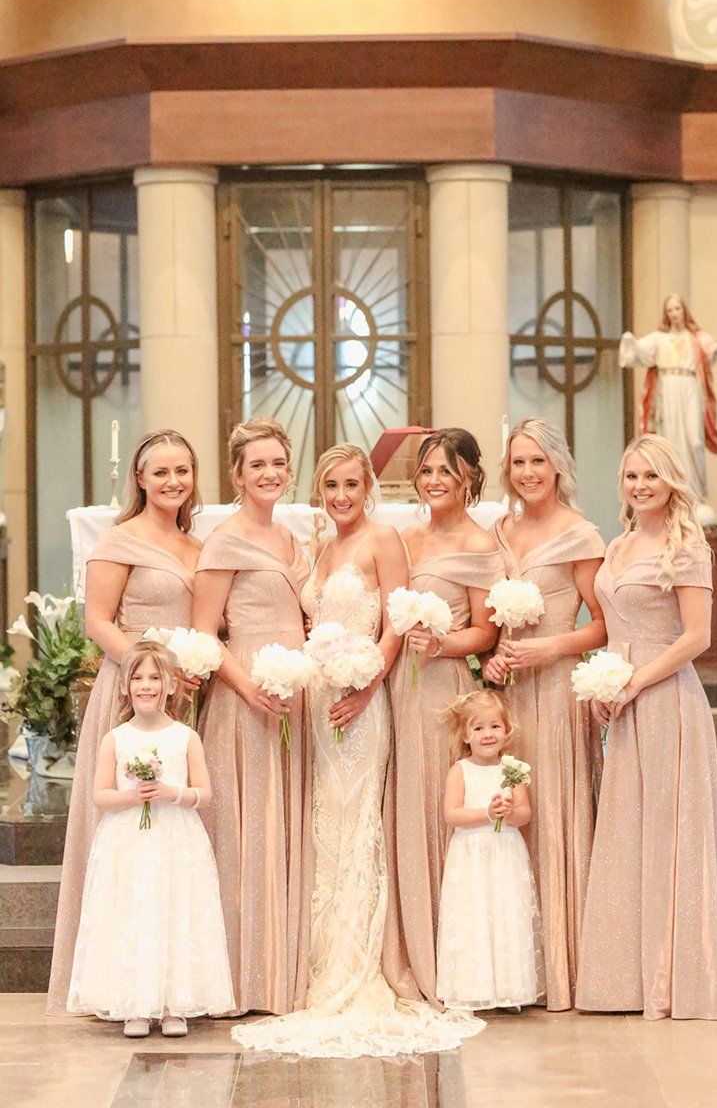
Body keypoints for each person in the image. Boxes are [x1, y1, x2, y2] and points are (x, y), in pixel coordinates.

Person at [232, 445, 483, 1056]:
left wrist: (369, 686)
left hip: (364, 701)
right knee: (326, 826)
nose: (341, 495)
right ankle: (317, 961)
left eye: (350, 484)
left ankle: (358, 961)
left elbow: (395, 622)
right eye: (330, 485)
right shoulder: (321, 545)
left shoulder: (383, 539)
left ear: (369, 486)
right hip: (319, 700)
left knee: (358, 818)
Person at [575, 434, 717, 1020]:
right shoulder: (618, 543)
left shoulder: (686, 546)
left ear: (672, 482)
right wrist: (604, 683)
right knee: (626, 829)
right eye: (631, 476)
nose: (640, 486)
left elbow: (696, 636)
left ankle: (674, 980)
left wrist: (637, 680)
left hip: (666, 698)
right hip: (621, 698)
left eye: (652, 476)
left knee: (668, 832)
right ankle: (624, 978)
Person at [48, 429, 202, 1014]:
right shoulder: (118, 539)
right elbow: (99, 621)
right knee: (126, 837)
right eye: (160, 472)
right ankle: (119, 980)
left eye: (182, 471)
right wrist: (152, 672)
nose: (172, 482)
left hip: (185, 701)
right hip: (130, 691)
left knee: (173, 840)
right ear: (139, 478)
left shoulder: (195, 545)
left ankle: (175, 980)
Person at [483, 418, 606, 1012]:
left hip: (556, 690)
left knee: (552, 812)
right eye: (517, 462)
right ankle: (511, 965)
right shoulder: (498, 531)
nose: (527, 473)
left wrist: (549, 648)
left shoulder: (581, 534)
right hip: (507, 695)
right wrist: (496, 657)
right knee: (508, 818)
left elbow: (605, 623)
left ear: (557, 465)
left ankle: (562, 963)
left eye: (537, 461)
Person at [384, 429, 504, 1005]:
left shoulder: (481, 545)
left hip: (442, 690)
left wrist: (443, 644)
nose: (434, 481)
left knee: (436, 803)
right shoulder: (406, 536)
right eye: (427, 470)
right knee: (403, 801)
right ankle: (403, 934)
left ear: (469, 479)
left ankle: (442, 949)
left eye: (446, 472)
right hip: (397, 688)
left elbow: (486, 632)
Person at [193, 418, 308, 1015]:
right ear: (237, 474)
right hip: (245, 702)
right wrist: (249, 688)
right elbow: (202, 634)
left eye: (278, 464)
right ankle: (242, 975)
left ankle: (283, 969)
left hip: (297, 701)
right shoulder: (223, 541)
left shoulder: (293, 539)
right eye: (256, 464)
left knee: (287, 827)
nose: (269, 474)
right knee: (247, 829)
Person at [67, 641, 234, 1036]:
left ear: (171, 685)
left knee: (174, 909)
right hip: (128, 841)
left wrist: (171, 793)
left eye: (155, 678)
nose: (146, 686)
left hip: (176, 839)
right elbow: (99, 795)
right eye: (138, 678)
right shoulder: (116, 739)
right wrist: (132, 796)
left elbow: (204, 793)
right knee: (135, 910)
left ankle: (173, 1003)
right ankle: (136, 1006)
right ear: (125, 686)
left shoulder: (185, 737)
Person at [436, 689, 545, 1013]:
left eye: (495, 726)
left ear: (507, 730)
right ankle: (473, 988)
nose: (487, 734)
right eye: (479, 728)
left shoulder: (513, 770)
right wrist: (486, 813)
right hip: (470, 856)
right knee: (475, 916)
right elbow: (452, 814)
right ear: (465, 735)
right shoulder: (461, 770)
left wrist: (509, 812)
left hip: (506, 855)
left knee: (506, 915)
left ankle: (509, 989)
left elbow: (525, 814)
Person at [619, 293, 717, 507]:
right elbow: (636, 351)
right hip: (667, 390)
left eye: (677, 308)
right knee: (671, 442)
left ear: (684, 310)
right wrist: (629, 340)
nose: (674, 313)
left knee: (695, 440)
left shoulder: (695, 337)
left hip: (689, 387)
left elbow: (713, 352)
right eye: (670, 310)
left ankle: (696, 493)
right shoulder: (660, 339)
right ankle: (676, 492)